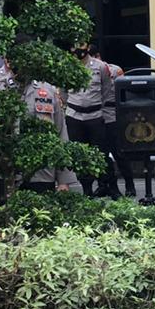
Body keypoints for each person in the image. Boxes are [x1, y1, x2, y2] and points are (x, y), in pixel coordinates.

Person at [0, 59, 79, 195]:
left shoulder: (47, 90)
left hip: (41, 173)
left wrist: (63, 180)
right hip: (2, 172)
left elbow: (61, 132)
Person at [63, 42, 114, 197]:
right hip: (74, 115)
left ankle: (106, 185)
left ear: (87, 46)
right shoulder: (67, 66)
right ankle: (86, 189)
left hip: (95, 115)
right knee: (79, 154)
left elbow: (106, 89)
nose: (78, 49)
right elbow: (63, 91)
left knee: (101, 152)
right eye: (74, 45)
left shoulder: (100, 66)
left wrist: (96, 104)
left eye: (81, 44)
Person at [89, 46, 137, 198]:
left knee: (119, 152)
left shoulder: (114, 70)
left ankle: (129, 184)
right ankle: (105, 185)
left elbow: (124, 92)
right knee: (100, 154)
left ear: (98, 55)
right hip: (94, 115)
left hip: (113, 114)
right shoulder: (84, 71)